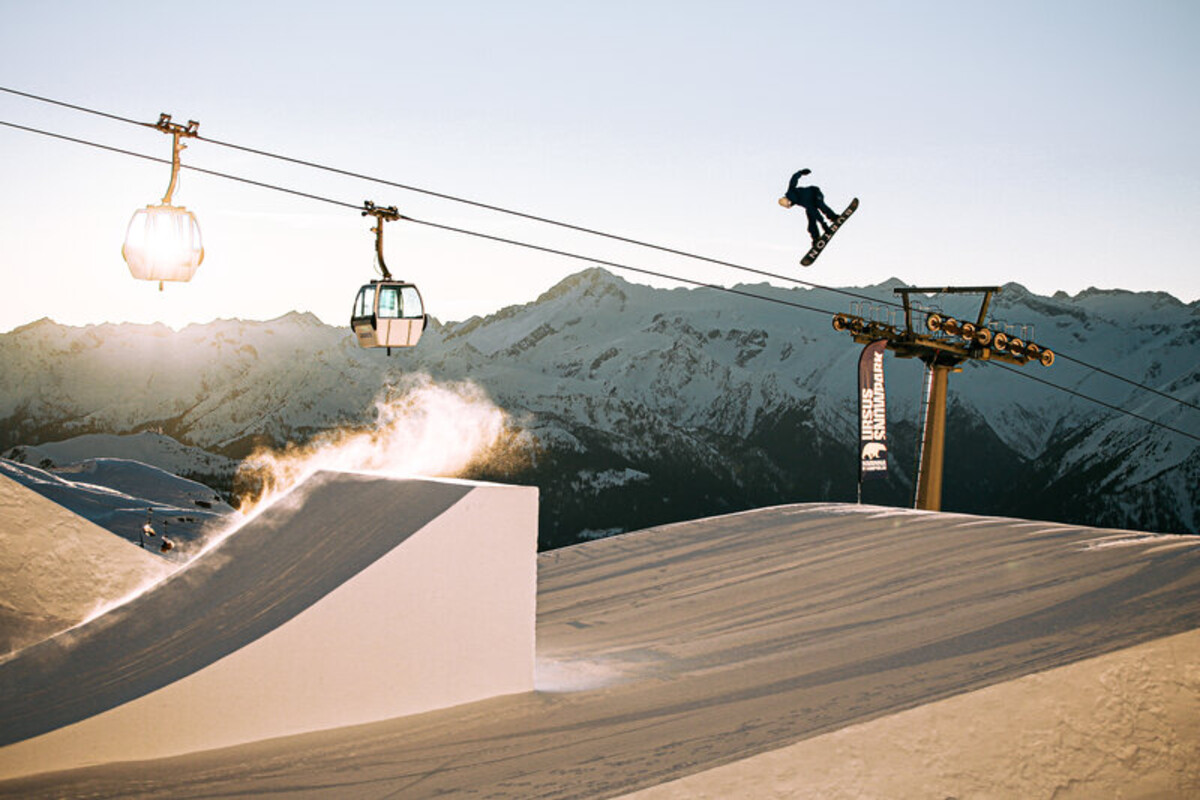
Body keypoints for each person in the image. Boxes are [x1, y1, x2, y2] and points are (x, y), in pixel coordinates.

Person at [779, 168, 839, 246]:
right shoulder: (791, 191)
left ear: (789, 202)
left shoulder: (800, 200)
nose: (791, 206)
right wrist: (800, 172)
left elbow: (815, 211)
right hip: (811, 200)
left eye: (789, 205)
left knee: (820, 205)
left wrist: (823, 224)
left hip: (815, 193)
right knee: (811, 217)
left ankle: (833, 217)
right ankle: (816, 237)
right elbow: (793, 179)